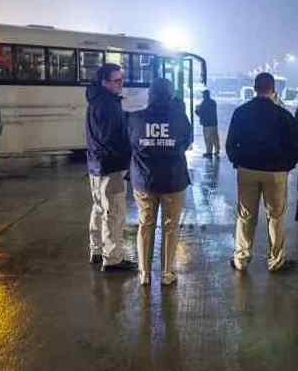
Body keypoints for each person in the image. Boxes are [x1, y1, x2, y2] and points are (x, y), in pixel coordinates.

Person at [226, 72, 298, 272]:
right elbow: (296, 144)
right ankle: (276, 261)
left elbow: (230, 143)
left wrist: (238, 161)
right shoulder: (283, 115)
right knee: (276, 216)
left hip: (247, 170)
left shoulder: (241, 112)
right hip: (276, 173)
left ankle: (241, 259)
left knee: (245, 215)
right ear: (273, 89)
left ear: (254, 88)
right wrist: (287, 165)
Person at [128, 78, 193, 286]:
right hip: (173, 180)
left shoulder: (135, 118)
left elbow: (129, 142)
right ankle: (166, 273)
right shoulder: (180, 118)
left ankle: (144, 274)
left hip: (144, 180)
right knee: (170, 226)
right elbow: (187, 142)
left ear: (150, 95)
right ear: (170, 95)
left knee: (145, 225)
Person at [85, 63, 135, 272]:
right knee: (113, 212)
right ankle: (113, 258)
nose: (121, 84)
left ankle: (96, 250)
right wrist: (128, 156)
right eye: (116, 81)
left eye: (122, 79)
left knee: (99, 209)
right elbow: (111, 139)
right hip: (110, 167)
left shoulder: (96, 102)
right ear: (104, 83)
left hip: (96, 165)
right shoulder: (108, 106)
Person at [195, 89, 219, 157]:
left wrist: (196, 110)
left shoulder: (204, 103)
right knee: (215, 138)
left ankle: (209, 152)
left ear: (205, 95)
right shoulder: (213, 102)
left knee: (208, 139)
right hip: (214, 123)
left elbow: (201, 113)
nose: (202, 96)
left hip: (207, 124)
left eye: (203, 95)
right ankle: (217, 150)